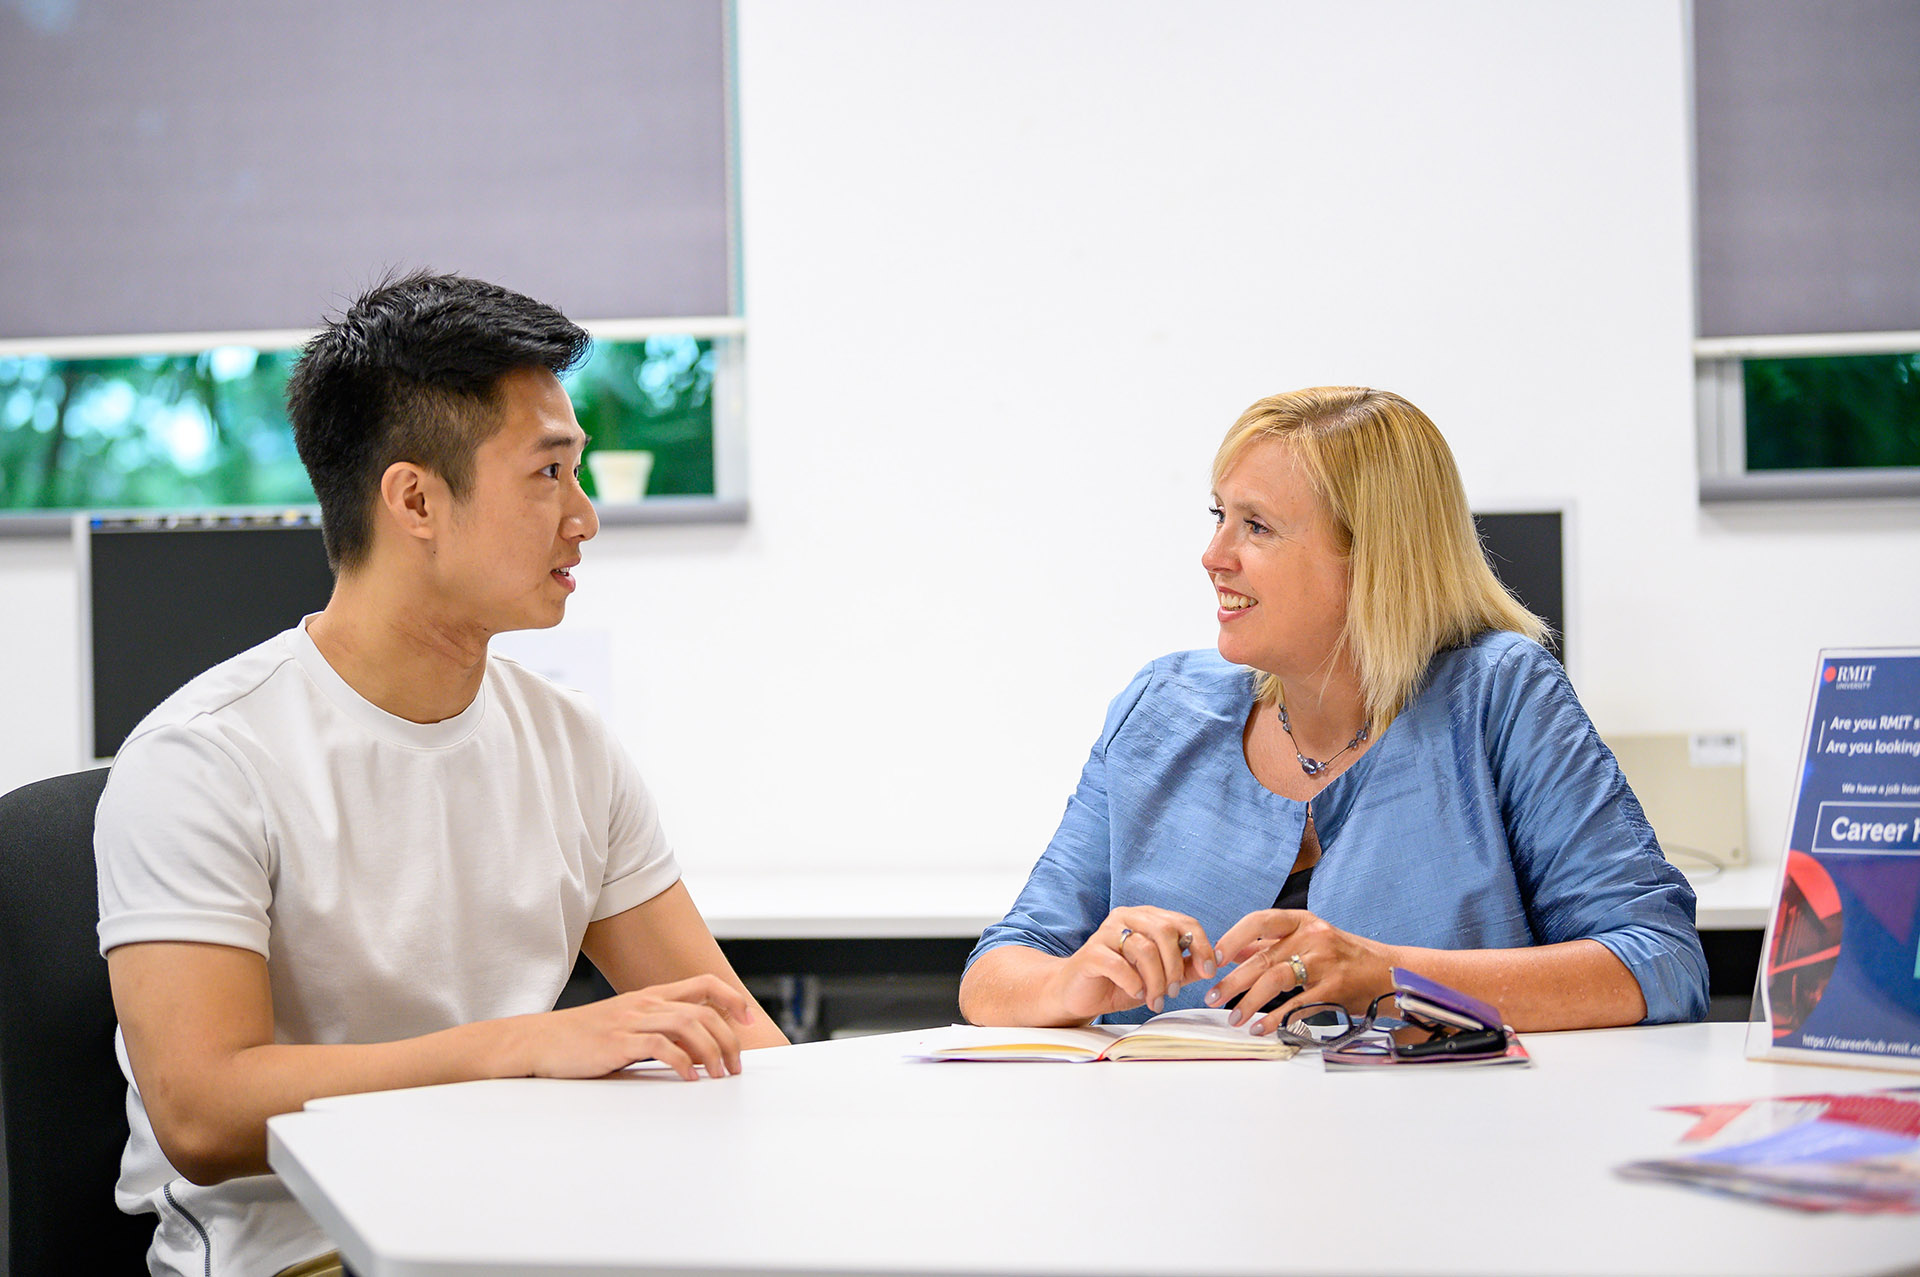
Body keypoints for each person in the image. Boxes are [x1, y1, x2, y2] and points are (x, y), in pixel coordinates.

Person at [95, 272, 788, 1277]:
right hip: (306, 1252)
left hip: (531, 1228)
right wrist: (516, 1049)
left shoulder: (570, 743)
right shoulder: (205, 757)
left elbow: (730, 1031)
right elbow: (202, 1109)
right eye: (548, 475)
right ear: (415, 498)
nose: (585, 518)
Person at [959, 386, 1708, 1035]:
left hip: (1450, 1166)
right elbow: (996, 968)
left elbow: (1662, 961)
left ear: (1373, 557)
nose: (1213, 554)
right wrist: (1069, 982)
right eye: (1219, 515)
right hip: (1181, 1164)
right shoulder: (1162, 707)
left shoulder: (1499, 694)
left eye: (1256, 526)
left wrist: (1389, 973)